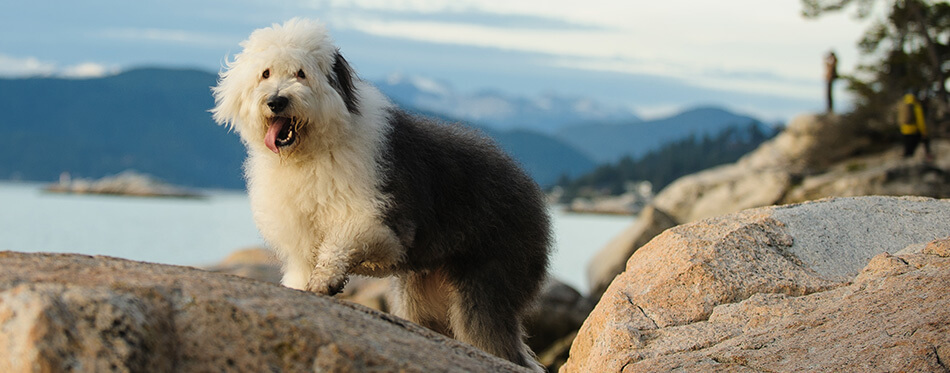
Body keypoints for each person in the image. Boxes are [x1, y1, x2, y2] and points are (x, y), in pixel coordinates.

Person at [897, 92, 934, 161]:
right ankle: (928, 155)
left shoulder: (903, 103)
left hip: (904, 130)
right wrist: (923, 131)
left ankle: (905, 162)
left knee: (908, 149)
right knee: (925, 140)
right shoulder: (916, 105)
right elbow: (920, 120)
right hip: (914, 130)